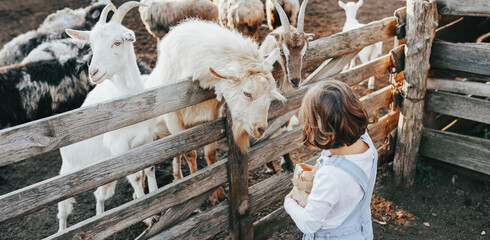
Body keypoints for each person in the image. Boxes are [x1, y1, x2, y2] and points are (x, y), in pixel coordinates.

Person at [284, 80, 378, 240]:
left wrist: (289, 203)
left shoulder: (330, 176)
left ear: (323, 132)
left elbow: (308, 224)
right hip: (360, 232)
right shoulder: (365, 143)